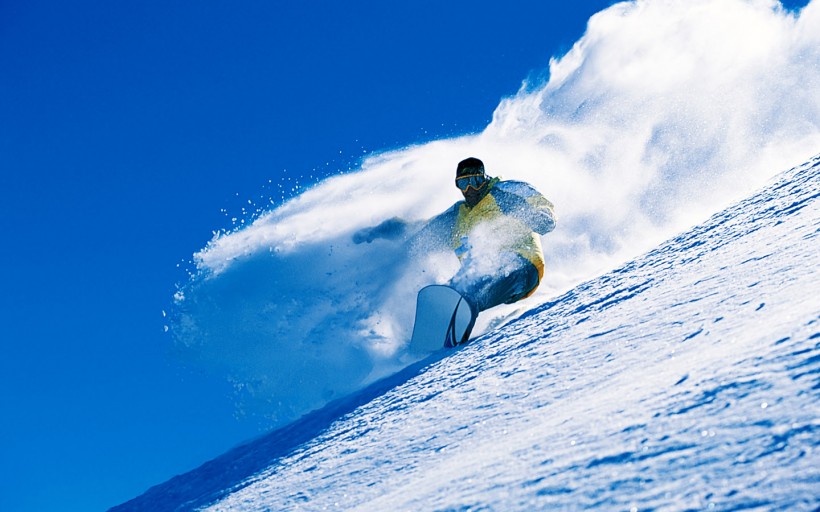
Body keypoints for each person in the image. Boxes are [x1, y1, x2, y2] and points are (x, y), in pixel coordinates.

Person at [354, 157, 556, 331]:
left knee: (472, 289)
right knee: (451, 293)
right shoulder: (457, 216)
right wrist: (387, 229)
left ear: (484, 177)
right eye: (462, 184)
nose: (469, 189)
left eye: (475, 181)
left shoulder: (502, 192)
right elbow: (420, 235)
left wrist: (542, 217)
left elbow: (538, 203)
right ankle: (434, 344)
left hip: (522, 265)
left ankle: (458, 318)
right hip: (479, 275)